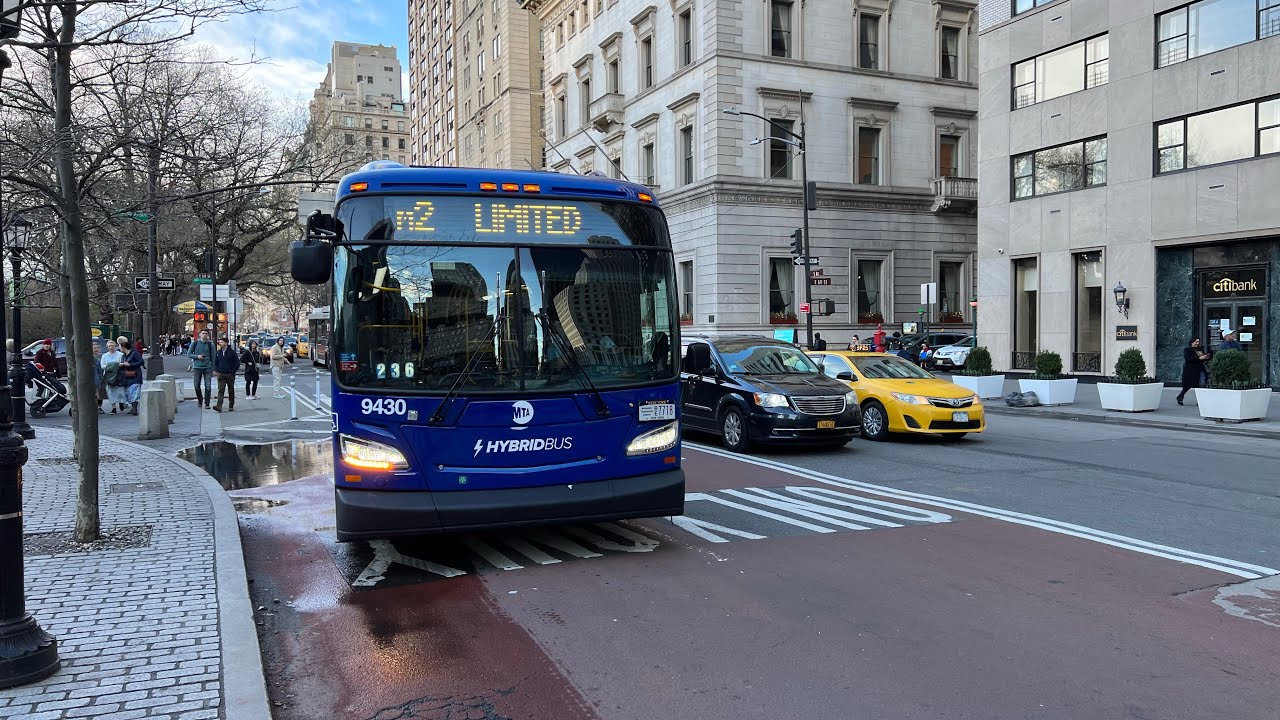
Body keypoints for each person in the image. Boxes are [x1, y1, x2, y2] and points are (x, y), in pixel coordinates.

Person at [1177, 337, 1211, 406]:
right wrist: (1199, 358)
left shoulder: (1200, 349)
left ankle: (1200, 400)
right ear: (1191, 342)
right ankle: (1181, 396)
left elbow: (1202, 358)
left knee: (1202, 384)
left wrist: (1206, 357)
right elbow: (1189, 359)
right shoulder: (1187, 350)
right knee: (1188, 385)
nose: (1197, 343)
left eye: (1198, 342)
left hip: (1200, 369)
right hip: (1190, 370)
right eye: (1195, 342)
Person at [187, 330, 215, 409]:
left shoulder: (210, 345)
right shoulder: (195, 343)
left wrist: (214, 369)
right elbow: (189, 354)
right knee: (196, 386)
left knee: (208, 386)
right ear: (200, 335)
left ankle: (207, 403)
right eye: (203, 333)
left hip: (208, 367)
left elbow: (213, 357)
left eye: (206, 333)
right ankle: (200, 400)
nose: (204, 335)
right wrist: (197, 357)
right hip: (197, 367)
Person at [212, 337, 241, 412]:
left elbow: (237, 363)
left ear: (226, 343)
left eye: (221, 342)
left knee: (231, 390)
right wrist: (215, 370)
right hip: (221, 373)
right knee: (221, 390)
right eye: (219, 342)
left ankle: (231, 405)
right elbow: (216, 362)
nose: (220, 343)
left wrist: (233, 371)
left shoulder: (232, 352)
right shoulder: (218, 352)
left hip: (229, 374)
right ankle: (219, 406)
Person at [101, 340, 128, 414]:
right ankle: (113, 408)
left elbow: (122, 363)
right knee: (110, 392)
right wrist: (112, 366)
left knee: (120, 391)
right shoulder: (105, 356)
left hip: (118, 375)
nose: (111, 347)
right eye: (109, 346)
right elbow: (102, 365)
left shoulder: (120, 354)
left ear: (115, 346)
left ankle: (121, 402)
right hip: (108, 376)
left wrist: (118, 365)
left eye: (112, 346)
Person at [119, 339, 145, 415]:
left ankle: (134, 408)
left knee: (134, 391)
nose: (120, 349)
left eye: (120, 347)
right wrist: (122, 365)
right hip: (127, 375)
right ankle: (133, 408)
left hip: (135, 375)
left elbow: (141, 362)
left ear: (124, 347)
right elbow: (124, 364)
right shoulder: (124, 356)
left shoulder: (134, 353)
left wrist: (130, 364)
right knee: (129, 392)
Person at [91, 341, 105, 413]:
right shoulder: (89, 358)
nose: (96, 349)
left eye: (97, 348)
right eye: (94, 348)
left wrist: (100, 377)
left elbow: (100, 369)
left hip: (98, 379)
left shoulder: (102, 357)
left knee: (99, 394)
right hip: (91, 379)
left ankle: (99, 407)